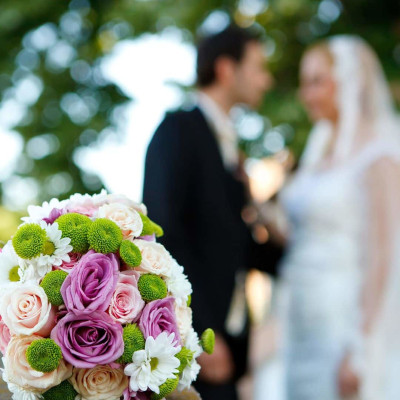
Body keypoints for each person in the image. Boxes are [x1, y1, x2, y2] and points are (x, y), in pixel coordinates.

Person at [143, 24, 282, 400]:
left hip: (235, 334)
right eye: (258, 67)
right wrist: (199, 330)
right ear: (226, 68)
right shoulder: (177, 130)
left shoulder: (231, 144)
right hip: (202, 342)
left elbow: (231, 241)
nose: (266, 80)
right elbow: (164, 232)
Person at [268, 35, 400, 400]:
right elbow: (303, 235)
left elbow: (384, 257)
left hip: (343, 324)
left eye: (316, 81)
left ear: (348, 81)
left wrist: (360, 350)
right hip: (299, 320)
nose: (305, 94)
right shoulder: (318, 150)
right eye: (303, 83)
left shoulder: (380, 156)